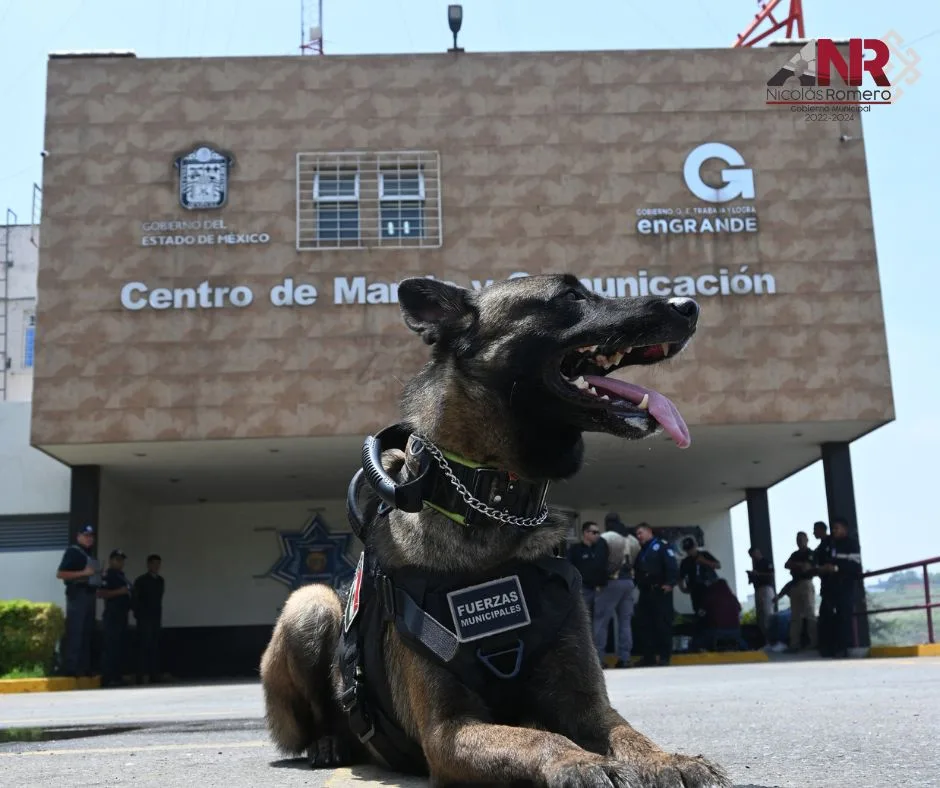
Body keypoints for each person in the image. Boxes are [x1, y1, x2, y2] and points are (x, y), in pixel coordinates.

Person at [55, 524, 102, 677]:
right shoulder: (73, 552)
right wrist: (84, 573)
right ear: (78, 536)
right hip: (77, 594)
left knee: (86, 632)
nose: (89, 539)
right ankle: (71, 667)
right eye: (86, 535)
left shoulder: (89, 554)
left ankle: (84, 667)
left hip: (89, 594)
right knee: (75, 631)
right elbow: (61, 574)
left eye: (91, 536)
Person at [633, 523, 679, 667]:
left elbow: (671, 565)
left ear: (649, 532)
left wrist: (670, 583)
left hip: (660, 591)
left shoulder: (662, 546)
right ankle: (649, 657)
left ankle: (664, 657)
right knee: (645, 625)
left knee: (662, 624)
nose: (638, 536)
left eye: (640, 533)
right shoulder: (642, 551)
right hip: (646, 592)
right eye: (637, 534)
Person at [817, 517, 862, 658]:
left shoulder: (852, 544)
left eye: (837, 528)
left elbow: (856, 566)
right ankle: (828, 648)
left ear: (844, 529)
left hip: (845, 587)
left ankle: (844, 648)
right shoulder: (830, 545)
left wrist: (836, 568)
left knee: (844, 617)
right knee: (826, 617)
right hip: (830, 588)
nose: (834, 531)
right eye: (833, 529)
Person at [595, 528, 641, 667]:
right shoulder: (633, 541)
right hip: (628, 582)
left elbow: (601, 561)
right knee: (625, 622)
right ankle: (625, 658)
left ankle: (598, 658)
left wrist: (598, 581)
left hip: (611, 581)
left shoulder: (607, 537)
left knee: (601, 621)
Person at [98, 549, 132, 687]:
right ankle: (108, 677)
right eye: (118, 560)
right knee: (111, 647)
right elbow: (101, 593)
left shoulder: (121, 576)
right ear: (111, 560)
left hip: (122, 615)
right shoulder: (108, 575)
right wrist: (120, 591)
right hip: (112, 615)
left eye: (122, 560)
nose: (120, 562)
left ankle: (117, 676)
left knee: (119, 647)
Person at [133, 554, 166, 684]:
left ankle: (154, 674)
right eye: (153, 564)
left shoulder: (160, 580)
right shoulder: (141, 581)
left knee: (154, 646)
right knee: (143, 646)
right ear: (148, 565)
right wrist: (138, 614)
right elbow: (136, 599)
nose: (156, 567)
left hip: (156, 616)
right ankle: (140, 675)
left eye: (158, 564)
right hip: (144, 617)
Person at [783, 531, 817, 652]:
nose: (800, 542)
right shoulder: (795, 554)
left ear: (807, 540)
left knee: (809, 613)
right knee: (795, 616)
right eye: (798, 539)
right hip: (795, 584)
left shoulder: (810, 553)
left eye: (802, 539)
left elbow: (807, 567)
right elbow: (786, 565)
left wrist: (795, 565)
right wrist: (799, 565)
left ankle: (814, 642)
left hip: (806, 583)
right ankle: (794, 644)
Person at [678, 537, 721, 615]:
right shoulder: (685, 562)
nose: (690, 551)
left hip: (710, 588)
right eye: (687, 550)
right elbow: (680, 577)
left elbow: (718, 565)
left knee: (712, 611)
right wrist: (683, 589)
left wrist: (704, 561)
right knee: (699, 612)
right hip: (695, 590)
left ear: (695, 546)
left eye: (691, 548)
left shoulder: (705, 554)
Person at [812, 521, 835, 656]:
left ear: (821, 530)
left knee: (829, 615)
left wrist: (821, 568)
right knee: (825, 616)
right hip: (825, 585)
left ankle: (833, 646)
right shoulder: (819, 549)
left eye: (815, 530)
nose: (814, 533)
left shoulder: (832, 543)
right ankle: (826, 646)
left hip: (834, 584)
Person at [747, 547, 775, 643]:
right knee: (761, 616)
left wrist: (758, 574)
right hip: (758, 589)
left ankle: (771, 640)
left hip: (766, 589)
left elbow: (771, 574)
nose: (752, 557)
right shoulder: (756, 565)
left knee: (767, 615)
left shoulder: (766, 562)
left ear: (758, 552)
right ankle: (765, 640)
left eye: (753, 554)